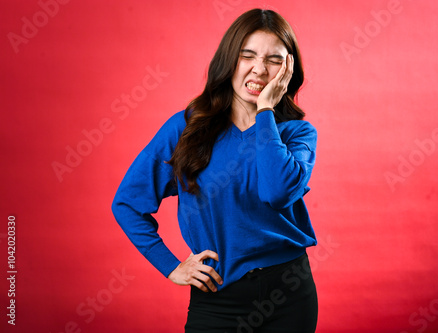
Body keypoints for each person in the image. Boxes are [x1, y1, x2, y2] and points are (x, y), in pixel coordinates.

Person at [112, 8, 318, 332]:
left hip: (289, 292)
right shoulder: (186, 127)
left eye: (274, 60)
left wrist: (264, 110)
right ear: (229, 60)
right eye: (247, 55)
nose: (260, 69)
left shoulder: (297, 133)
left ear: (288, 70)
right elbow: (127, 203)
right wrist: (171, 267)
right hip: (218, 297)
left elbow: (277, 192)